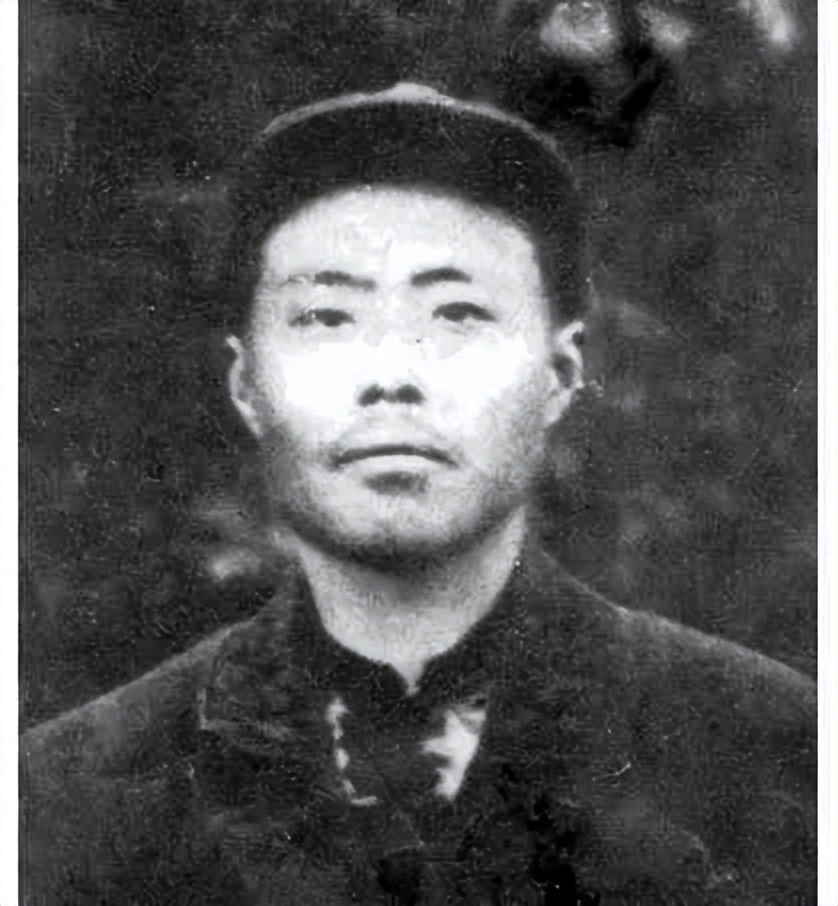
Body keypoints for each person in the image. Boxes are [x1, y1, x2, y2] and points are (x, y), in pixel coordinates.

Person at [22, 83, 815, 906]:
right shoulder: (64, 797)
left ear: (559, 373)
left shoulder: (779, 755)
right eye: (326, 317)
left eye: (457, 313)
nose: (392, 374)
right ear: (247, 383)